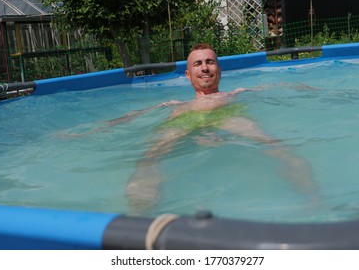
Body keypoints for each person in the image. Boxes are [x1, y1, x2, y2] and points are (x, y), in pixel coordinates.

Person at [125, 43, 319, 215]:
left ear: (219, 69)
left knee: (275, 145)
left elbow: (274, 86)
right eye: (198, 64)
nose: (205, 68)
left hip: (227, 115)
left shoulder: (235, 94)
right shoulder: (175, 105)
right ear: (187, 74)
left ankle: (314, 200)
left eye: (210, 62)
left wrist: (300, 87)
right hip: (186, 118)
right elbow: (137, 113)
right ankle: (138, 213)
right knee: (151, 155)